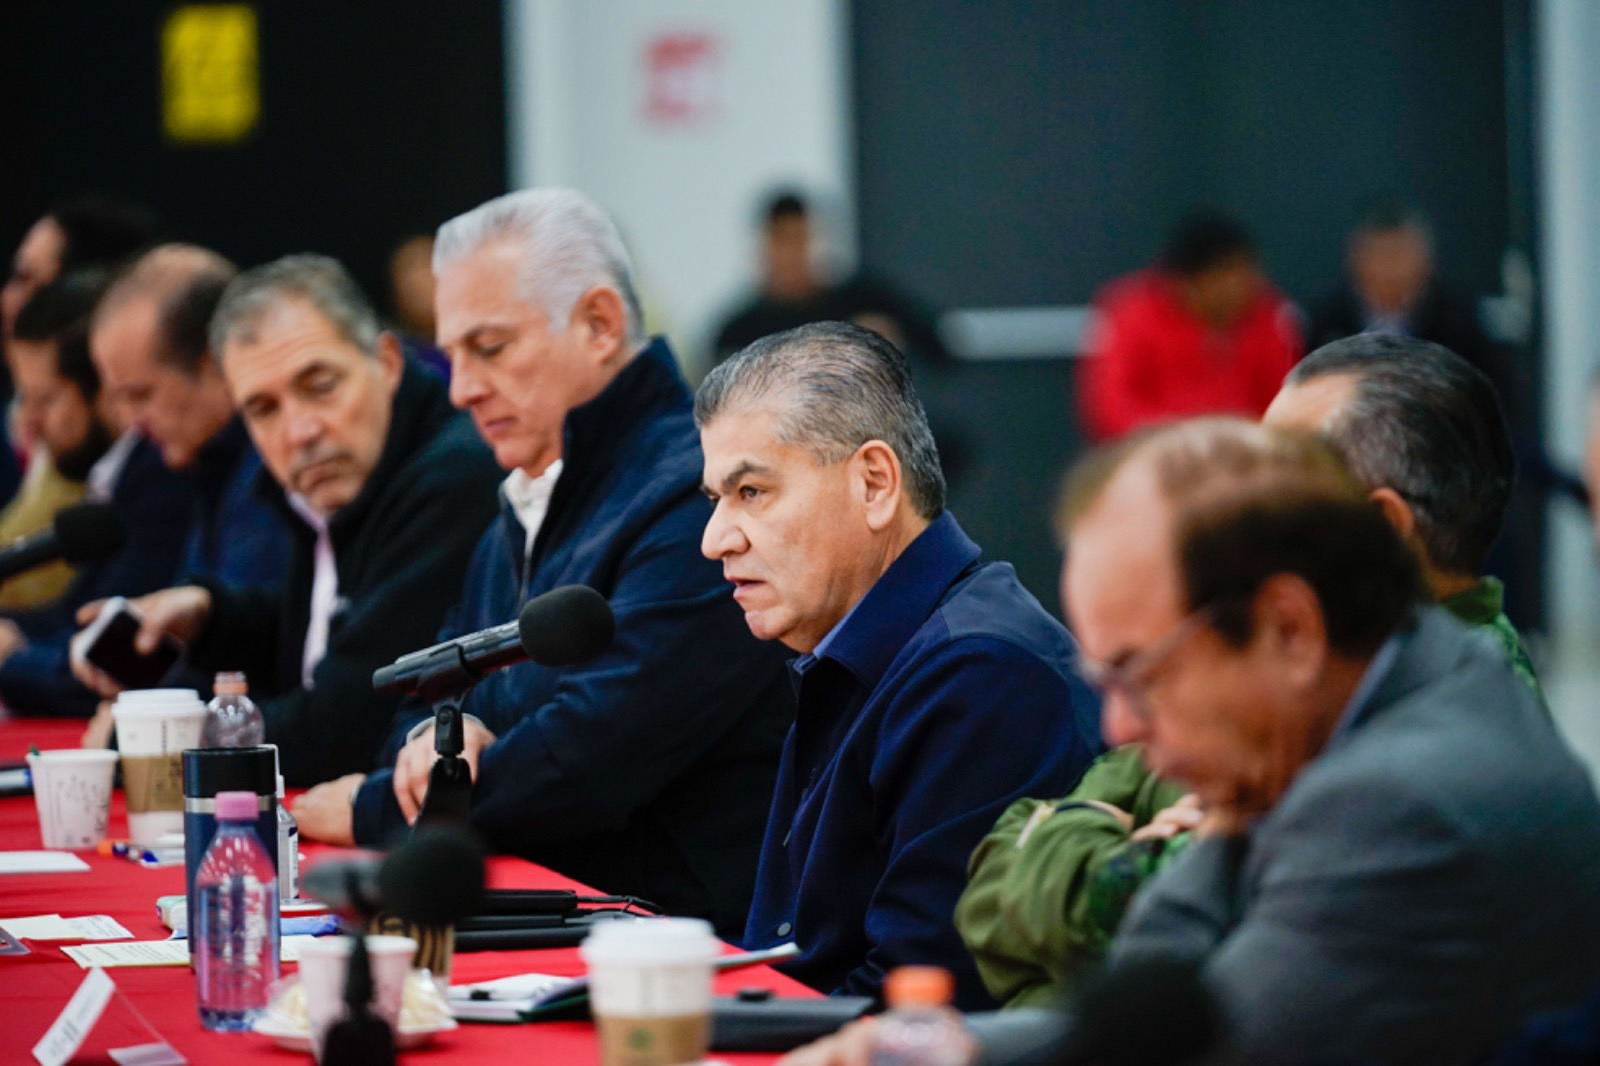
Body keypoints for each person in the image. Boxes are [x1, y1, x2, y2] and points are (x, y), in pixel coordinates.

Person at [782, 418, 1600, 1066]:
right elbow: (1158, 1011)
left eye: (1139, 677)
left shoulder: (1395, 806)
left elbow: (1183, 1040)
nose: (1118, 728)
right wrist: (943, 1052)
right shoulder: (1395, 687)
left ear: (1288, 630)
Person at [957, 333, 1544, 1009]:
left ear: (1380, 530)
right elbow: (991, 883)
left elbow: (1169, 975)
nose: (1228, 522)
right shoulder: (1294, 667)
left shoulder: (1415, 755)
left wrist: (1064, 841)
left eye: (1270, 492)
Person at [292, 190, 793, 940]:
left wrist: (376, 806)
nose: (461, 387)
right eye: (453, 352)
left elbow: (595, 755)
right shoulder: (526, 496)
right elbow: (420, 703)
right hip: (565, 918)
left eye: (489, 347)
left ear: (599, 324)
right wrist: (449, 741)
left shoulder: (697, 494)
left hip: (687, 953)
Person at [697, 320, 1100, 1008]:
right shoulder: (865, 646)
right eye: (716, 500)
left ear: (875, 483)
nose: (715, 540)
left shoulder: (981, 674)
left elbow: (917, 1000)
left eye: (752, 492)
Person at [71, 254, 504, 785]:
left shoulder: (452, 479)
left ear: (387, 362)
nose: (299, 431)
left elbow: (344, 728)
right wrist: (213, 617)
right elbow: (329, 637)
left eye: (320, 386)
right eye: (263, 409)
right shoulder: (346, 478)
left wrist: (157, 742)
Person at [89, 245, 291, 589]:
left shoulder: (277, 469)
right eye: (119, 398)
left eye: (141, 394)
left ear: (217, 362)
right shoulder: (208, 464)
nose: (131, 421)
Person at [1076, 209, 1301, 443]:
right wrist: (1178, 440)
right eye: (1225, 273)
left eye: (1247, 271)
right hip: (1156, 452)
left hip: (1247, 451)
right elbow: (1111, 405)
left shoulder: (1269, 314)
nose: (1242, 285)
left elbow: (1285, 399)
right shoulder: (1130, 312)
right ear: (1187, 281)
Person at [712, 190, 951, 368]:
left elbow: (937, 347)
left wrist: (888, 348)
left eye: (802, 239)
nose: (792, 253)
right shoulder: (739, 331)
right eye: (782, 240)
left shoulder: (868, 301)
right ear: (764, 246)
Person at [1306, 198, 1514, 401]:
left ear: (1426, 260)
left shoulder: (1460, 325)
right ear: (1355, 259)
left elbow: (1497, 400)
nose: (1390, 269)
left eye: (1399, 255)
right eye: (1380, 255)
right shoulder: (1327, 327)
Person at [0, 271, 116, 611]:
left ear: (103, 385)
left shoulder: (155, 480)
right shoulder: (70, 464)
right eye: (25, 398)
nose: (29, 423)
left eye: (46, 399)